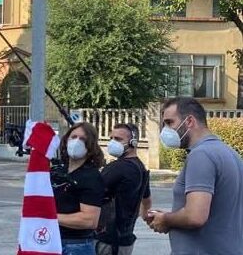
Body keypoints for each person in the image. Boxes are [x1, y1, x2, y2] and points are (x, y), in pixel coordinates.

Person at [148, 97, 243, 255]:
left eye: (170, 122)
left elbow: (195, 216)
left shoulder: (201, 155)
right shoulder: (229, 153)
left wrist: (165, 219)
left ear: (190, 121)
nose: (165, 130)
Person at [95, 123, 151, 255]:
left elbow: (92, 193)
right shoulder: (140, 167)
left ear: (133, 142)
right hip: (124, 240)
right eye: (111, 138)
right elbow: (146, 200)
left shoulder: (118, 168)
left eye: (118, 139)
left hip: (108, 241)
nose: (113, 143)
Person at [51, 122, 105, 255]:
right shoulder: (58, 172)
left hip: (76, 245)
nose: (76, 142)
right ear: (66, 140)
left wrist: (50, 217)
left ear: (90, 146)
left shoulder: (91, 177)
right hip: (51, 240)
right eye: (73, 137)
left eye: (83, 139)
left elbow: (89, 220)